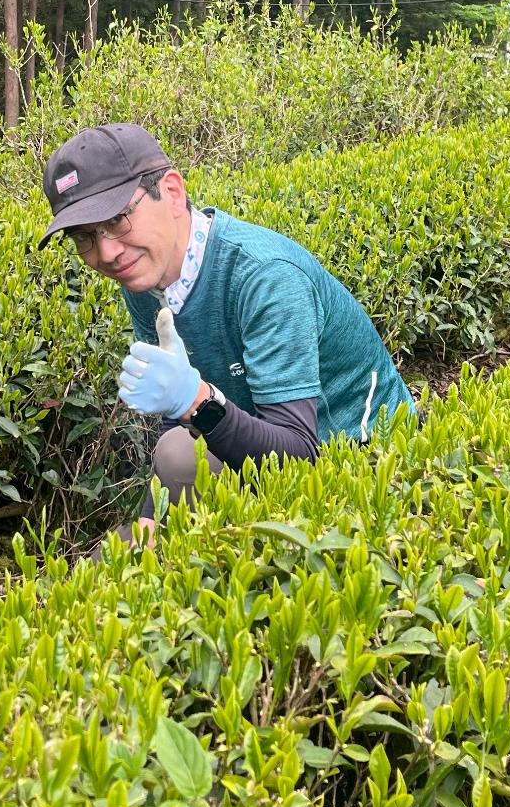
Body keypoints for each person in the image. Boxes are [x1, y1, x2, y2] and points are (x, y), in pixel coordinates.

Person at [40, 122, 414, 540]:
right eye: (85, 237)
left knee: (182, 458)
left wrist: (196, 400)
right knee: (165, 477)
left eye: (119, 219)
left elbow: (299, 457)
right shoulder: (145, 276)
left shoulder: (266, 278)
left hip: (359, 458)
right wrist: (150, 518)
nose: (106, 252)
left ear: (173, 193)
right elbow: (177, 416)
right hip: (259, 441)